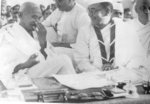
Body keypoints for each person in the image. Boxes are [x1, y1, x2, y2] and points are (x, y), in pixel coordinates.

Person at [0, 2, 76, 81]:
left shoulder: (37, 34)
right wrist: (24, 65)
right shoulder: (8, 33)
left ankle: (73, 89)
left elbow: (49, 58)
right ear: (20, 15)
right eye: (34, 17)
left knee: (67, 58)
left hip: (39, 71)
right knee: (64, 60)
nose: (37, 21)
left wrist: (43, 43)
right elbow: (3, 66)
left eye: (39, 18)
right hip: (22, 74)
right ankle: (76, 88)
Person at [73, 0, 147, 73]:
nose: (91, 15)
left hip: (122, 75)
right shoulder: (85, 30)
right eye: (89, 11)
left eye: (94, 11)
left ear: (108, 11)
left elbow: (137, 56)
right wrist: (99, 74)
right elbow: (81, 60)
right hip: (93, 76)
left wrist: (122, 71)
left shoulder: (125, 27)